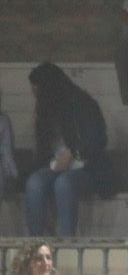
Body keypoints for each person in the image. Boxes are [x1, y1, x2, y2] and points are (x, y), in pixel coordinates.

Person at [23, 63, 108, 237]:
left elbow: (98, 141)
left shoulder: (83, 104)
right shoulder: (44, 111)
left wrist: (73, 152)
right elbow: (44, 152)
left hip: (86, 167)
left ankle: (67, 241)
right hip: (55, 166)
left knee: (64, 183)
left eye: (36, 89)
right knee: (34, 183)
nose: (34, 94)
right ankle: (35, 242)